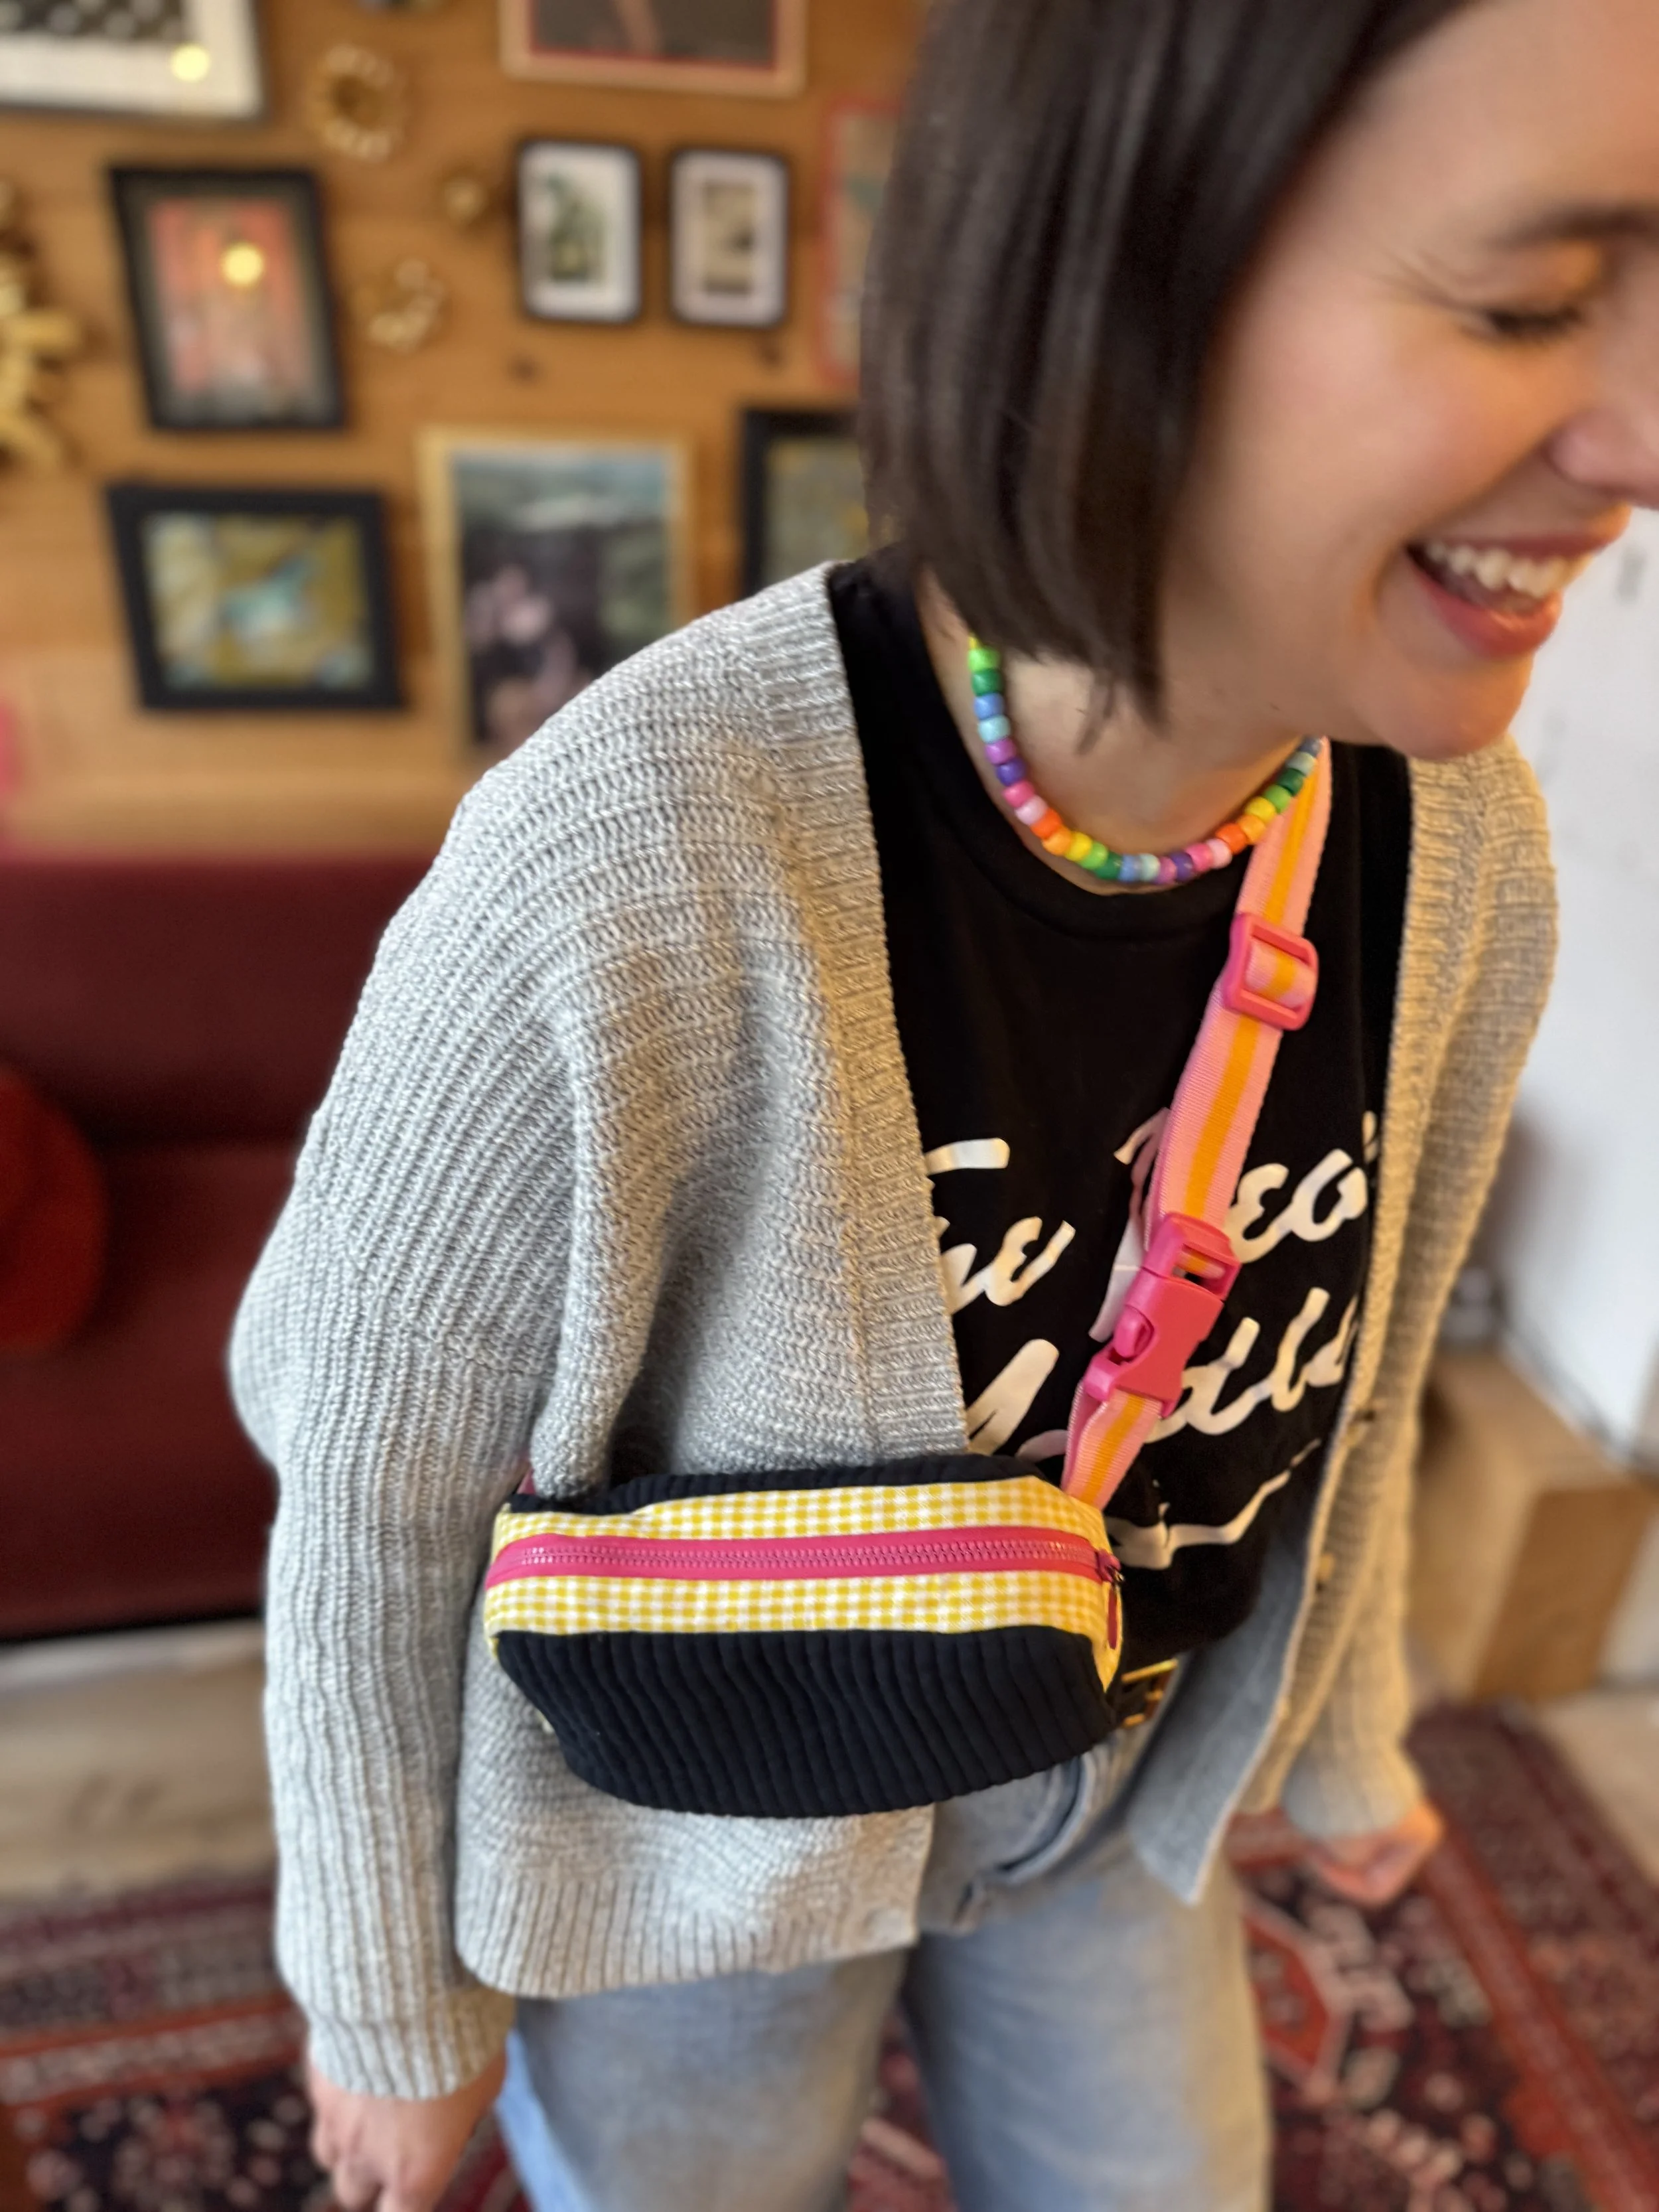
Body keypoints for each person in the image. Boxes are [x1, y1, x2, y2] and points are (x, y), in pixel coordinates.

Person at [229, 0, 1659, 2206]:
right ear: (1125, 274)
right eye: (1530, 298)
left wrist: (1346, 1718)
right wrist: (385, 2003)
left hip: (1111, 1779)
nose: (1640, 427)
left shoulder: (1465, 862)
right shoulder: (621, 860)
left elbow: (1353, 1388)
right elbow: (362, 1484)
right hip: (705, 1824)